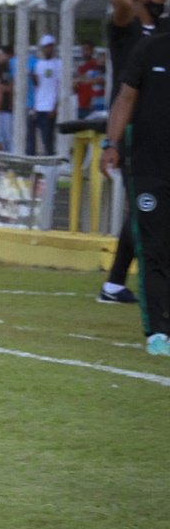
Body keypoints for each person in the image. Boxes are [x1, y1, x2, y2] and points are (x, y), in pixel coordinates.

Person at [98, 0, 170, 306]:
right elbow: (120, 1)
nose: (161, 1)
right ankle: (125, 284)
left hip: (161, 132)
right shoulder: (126, 29)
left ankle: (113, 285)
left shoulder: (166, 31)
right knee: (145, 205)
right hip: (130, 131)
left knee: (145, 207)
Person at [100, 34, 170, 357]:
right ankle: (158, 331)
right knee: (153, 248)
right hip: (149, 167)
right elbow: (125, 98)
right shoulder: (151, 47)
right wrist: (111, 144)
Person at [27, 34, 60, 156]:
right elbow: (36, 86)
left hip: (49, 107)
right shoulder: (38, 64)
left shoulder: (58, 64)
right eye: (45, 47)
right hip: (37, 107)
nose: (47, 50)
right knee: (30, 138)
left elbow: (59, 86)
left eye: (49, 47)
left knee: (48, 138)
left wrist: (55, 107)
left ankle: (49, 162)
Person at [73, 41, 106, 119]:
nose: (85, 52)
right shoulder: (81, 68)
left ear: (92, 50)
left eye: (87, 49)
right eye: (83, 50)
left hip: (94, 105)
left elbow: (102, 80)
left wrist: (86, 80)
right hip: (82, 105)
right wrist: (74, 83)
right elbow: (76, 87)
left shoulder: (97, 65)